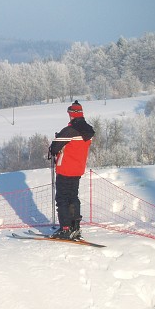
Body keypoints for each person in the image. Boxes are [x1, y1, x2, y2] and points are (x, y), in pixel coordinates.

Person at [48, 100, 95, 240]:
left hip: (65, 169)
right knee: (73, 197)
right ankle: (75, 227)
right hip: (78, 169)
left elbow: (54, 148)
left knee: (62, 199)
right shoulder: (87, 131)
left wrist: (55, 144)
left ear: (72, 114)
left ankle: (65, 228)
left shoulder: (69, 130)